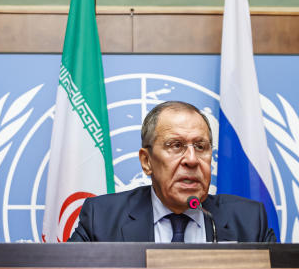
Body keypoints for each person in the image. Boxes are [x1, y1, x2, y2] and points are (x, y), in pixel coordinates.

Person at [68, 100, 276, 242]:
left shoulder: (249, 220)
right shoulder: (102, 218)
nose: (192, 160)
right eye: (176, 146)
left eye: (201, 147)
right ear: (147, 161)